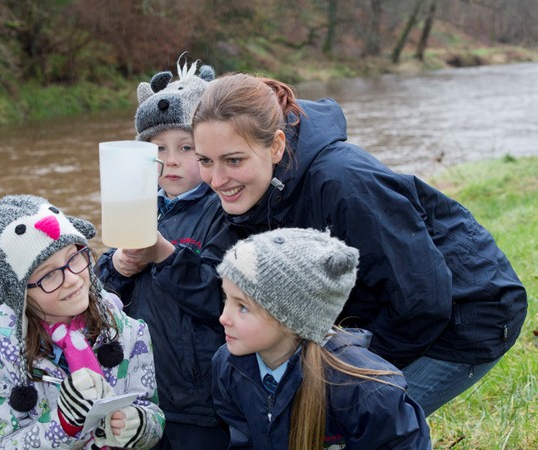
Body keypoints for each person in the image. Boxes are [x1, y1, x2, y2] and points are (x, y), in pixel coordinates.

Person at [192, 72, 528, 417]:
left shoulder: (344, 182)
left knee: (351, 423)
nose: (216, 180)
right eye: (204, 161)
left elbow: (422, 299)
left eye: (233, 160)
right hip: (388, 304)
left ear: (276, 145)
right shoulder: (247, 186)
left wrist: (342, 370)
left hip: (465, 313)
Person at [97, 56, 236, 449]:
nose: (170, 160)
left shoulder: (222, 210)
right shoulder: (136, 204)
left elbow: (220, 297)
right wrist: (119, 266)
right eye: (158, 149)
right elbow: (101, 298)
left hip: (203, 399)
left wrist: (163, 254)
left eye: (186, 147)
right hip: (141, 390)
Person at [0, 194, 164, 449]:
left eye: (74, 257)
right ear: (18, 294)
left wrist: (140, 425)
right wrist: (64, 425)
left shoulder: (126, 330)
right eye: (48, 275)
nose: (72, 278)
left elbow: (150, 409)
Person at [213, 227, 432, 449]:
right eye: (226, 298)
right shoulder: (229, 365)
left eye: (242, 307)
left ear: (292, 318)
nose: (223, 317)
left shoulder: (367, 393)